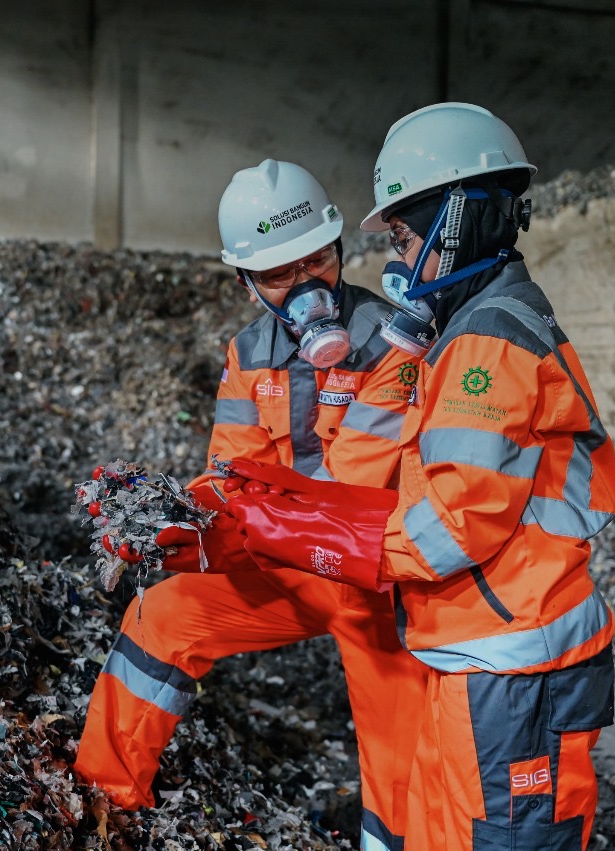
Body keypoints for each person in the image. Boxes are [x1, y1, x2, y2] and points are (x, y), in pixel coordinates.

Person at [222, 103, 615, 850]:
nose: (400, 260)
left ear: (460, 221)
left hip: (514, 662)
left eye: (404, 237)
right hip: (474, 649)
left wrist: (327, 543)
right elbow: (373, 471)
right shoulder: (457, 336)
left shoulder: (485, 347)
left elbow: (450, 527)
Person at [74, 158, 430, 851]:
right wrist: (176, 522)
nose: (305, 287)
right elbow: (232, 473)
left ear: (338, 250)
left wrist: (237, 529)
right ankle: (103, 803)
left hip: (377, 578)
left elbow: (352, 488)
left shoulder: (397, 342)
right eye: (279, 275)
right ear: (246, 285)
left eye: (317, 261)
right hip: (288, 565)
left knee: (400, 745)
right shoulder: (249, 354)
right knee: (161, 614)